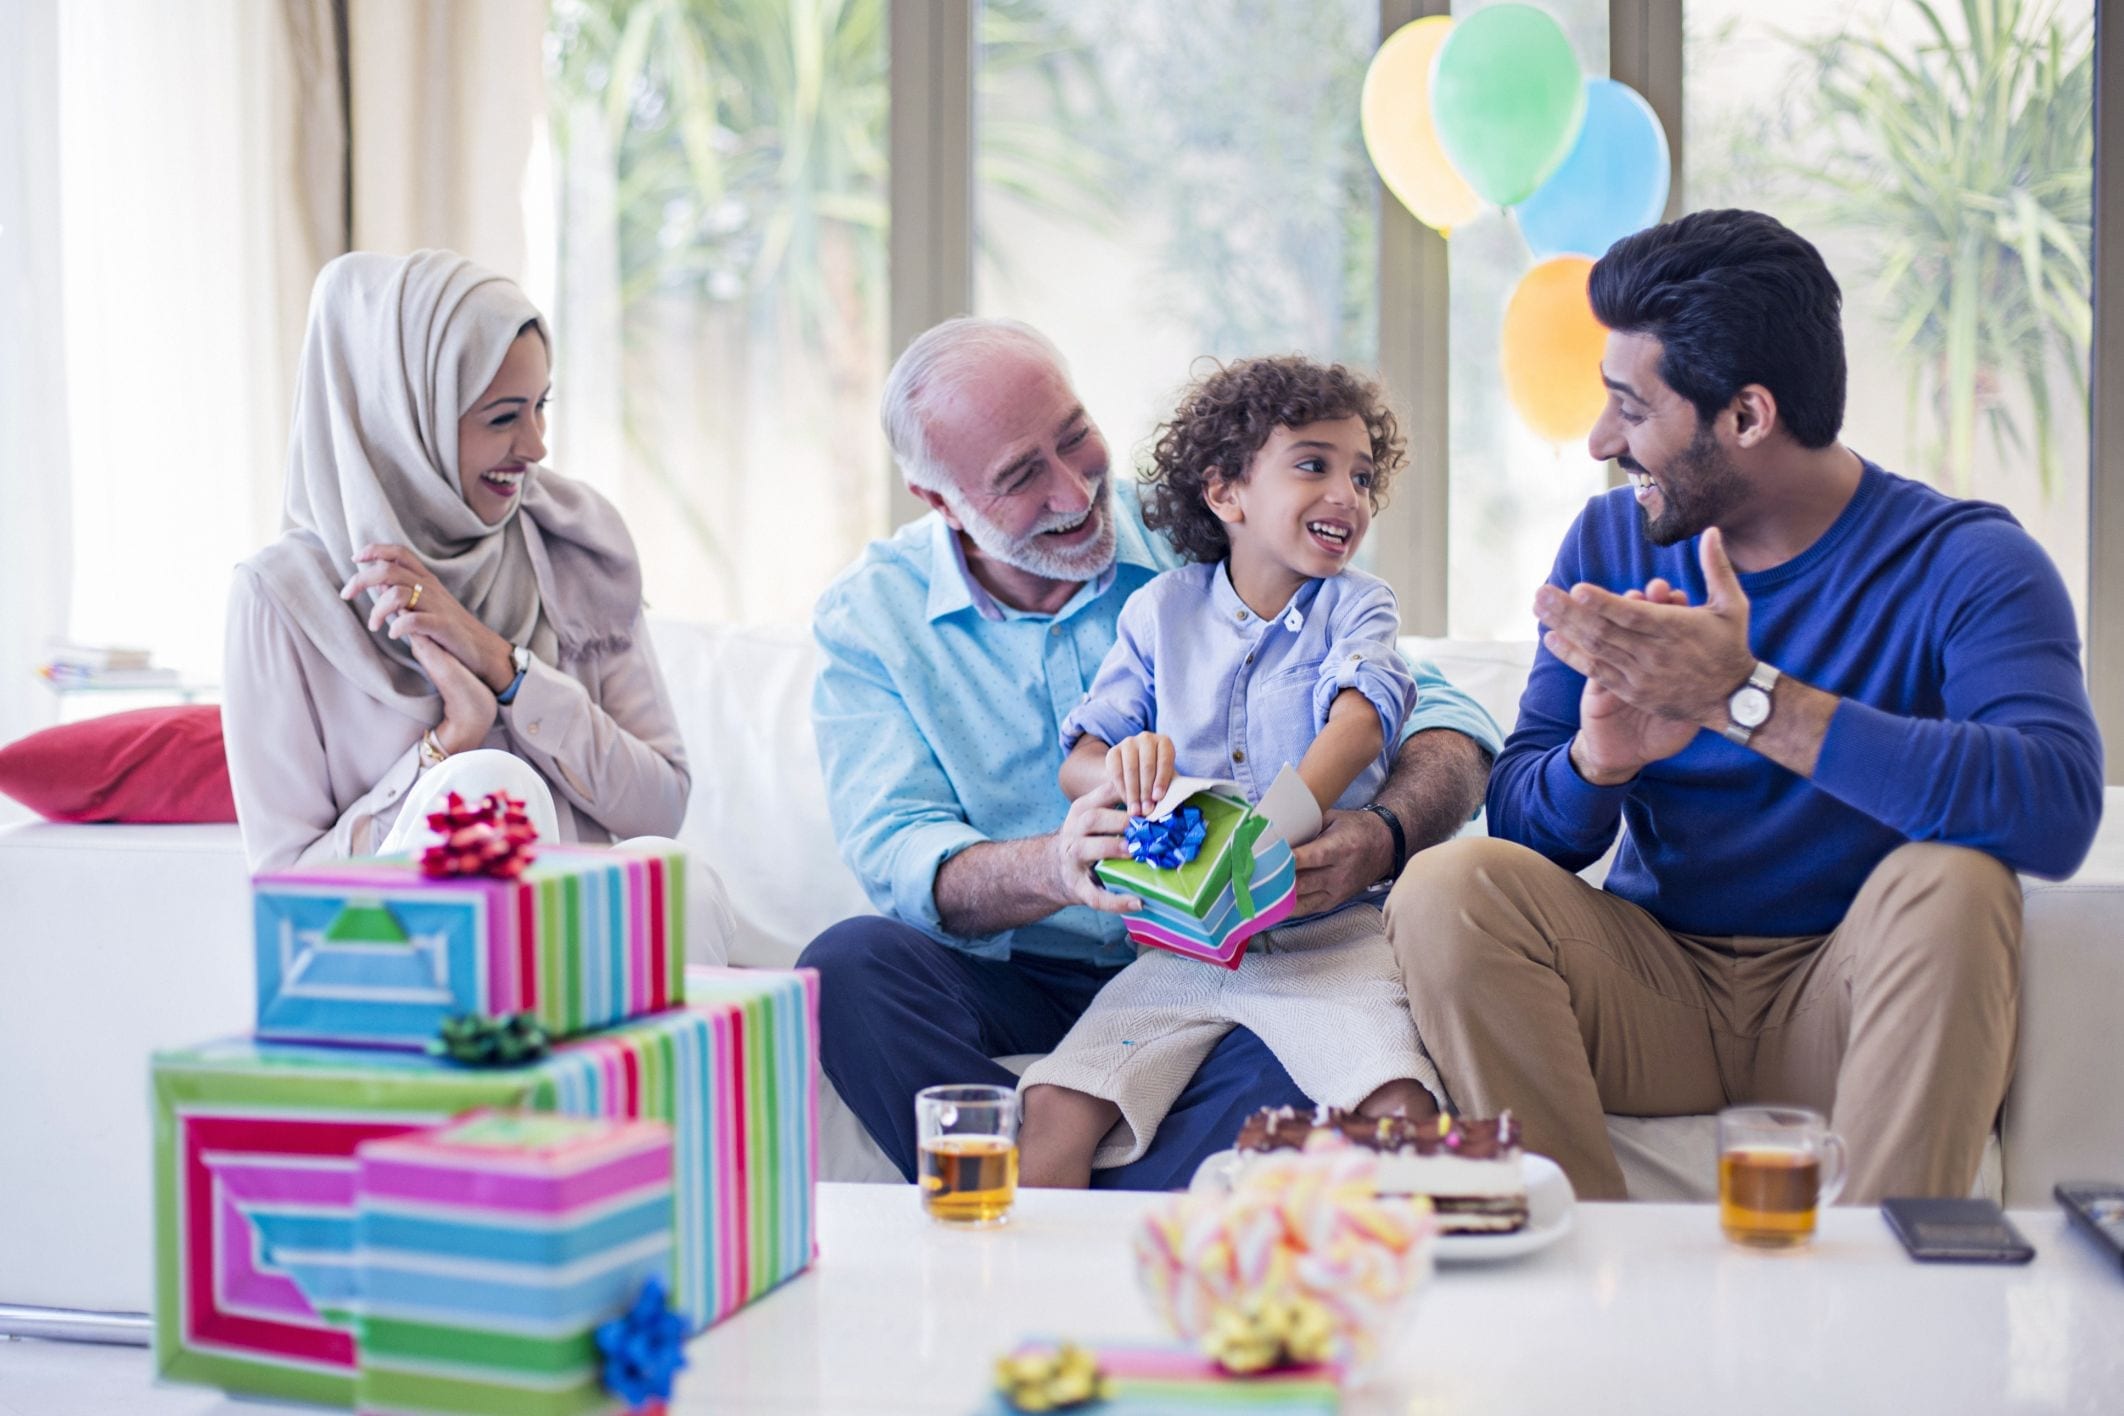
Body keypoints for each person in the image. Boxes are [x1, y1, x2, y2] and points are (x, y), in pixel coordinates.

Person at [1385, 209, 2103, 1204]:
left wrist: (1745, 701)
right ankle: (1591, 1275)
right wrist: (1599, 759)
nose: (1601, 441)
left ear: (1748, 417)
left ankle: (1875, 1302)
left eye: (1631, 411)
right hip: (1651, 989)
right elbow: (1521, 819)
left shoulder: (1967, 562)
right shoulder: (1610, 543)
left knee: (1958, 883)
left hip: (1849, 994)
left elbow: (2056, 809)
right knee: (1449, 885)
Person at [801, 318, 1500, 1190]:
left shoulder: (1215, 528)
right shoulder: (872, 618)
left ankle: (1058, 1209)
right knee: (845, 971)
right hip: (1036, 968)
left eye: (1074, 438)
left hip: (1254, 940)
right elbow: (899, 847)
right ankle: (1144, 1197)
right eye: (1021, 476)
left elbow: (1438, 717)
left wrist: (1381, 834)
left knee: (1316, 1058)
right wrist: (1057, 867)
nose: (1073, 491)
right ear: (941, 503)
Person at [1015, 356, 1446, 1188]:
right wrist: (1127, 772)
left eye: (1361, 476)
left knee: (1398, 1105)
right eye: (1313, 465)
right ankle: (1025, 1311)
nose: (1347, 495)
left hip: (1329, 938)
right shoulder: (1160, 612)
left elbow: (1360, 724)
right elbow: (1082, 760)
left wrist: (1260, 842)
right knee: (1052, 1115)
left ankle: (1407, 1302)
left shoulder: (1357, 605)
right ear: (1226, 494)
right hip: (1180, 951)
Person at [224, 252, 717, 951]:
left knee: (685, 883)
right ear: (400, 417)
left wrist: (503, 666)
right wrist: (447, 745)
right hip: (409, 961)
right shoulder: (280, 601)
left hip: (589, 949)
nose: (537, 446)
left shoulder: (572, 542)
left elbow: (660, 807)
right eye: (502, 418)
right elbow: (286, 887)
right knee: (483, 784)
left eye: (541, 407)